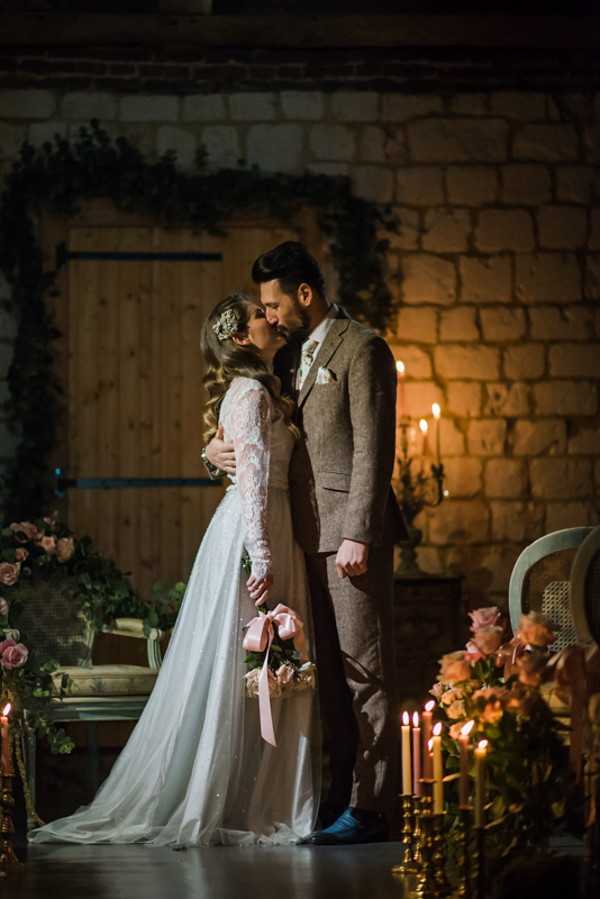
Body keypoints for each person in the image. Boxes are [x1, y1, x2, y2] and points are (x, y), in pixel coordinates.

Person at [29, 292, 318, 848]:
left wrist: (214, 457)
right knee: (246, 664)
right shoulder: (251, 392)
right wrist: (262, 557)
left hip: (270, 525)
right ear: (239, 337)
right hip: (255, 531)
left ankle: (252, 791)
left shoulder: (260, 390)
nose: (271, 318)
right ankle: (234, 796)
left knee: (263, 667)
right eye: (261, 315)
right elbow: (253, 479)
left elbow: (248, 462)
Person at [206, 241, 407, 845]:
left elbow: (375, 449)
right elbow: (257, 438)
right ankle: (335, 798)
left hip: (347, 540)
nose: (269, 316)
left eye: (273, 304)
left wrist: (359, 532)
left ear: (303, 294)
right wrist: (212, 453)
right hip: (301, 539)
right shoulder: (288, 359)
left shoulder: (363, 348)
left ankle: (371, 807)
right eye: (261, 309)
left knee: (364, 674)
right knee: (323, 678)